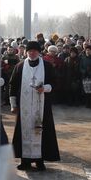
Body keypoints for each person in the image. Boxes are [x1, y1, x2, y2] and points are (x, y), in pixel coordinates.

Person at [9, 41, 60, 171]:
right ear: (26, 52)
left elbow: (56, 82)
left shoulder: (47, 66)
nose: (32, 53)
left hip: (41, 106)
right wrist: (13, 104)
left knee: (41, 131)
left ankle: (40, 160)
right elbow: (12, 86)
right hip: (24, 107)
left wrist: (46, 88)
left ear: (39, 52)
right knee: (24, 131)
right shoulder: (20, 66)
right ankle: (25, 161)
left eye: (35, 51)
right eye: (29, 51)